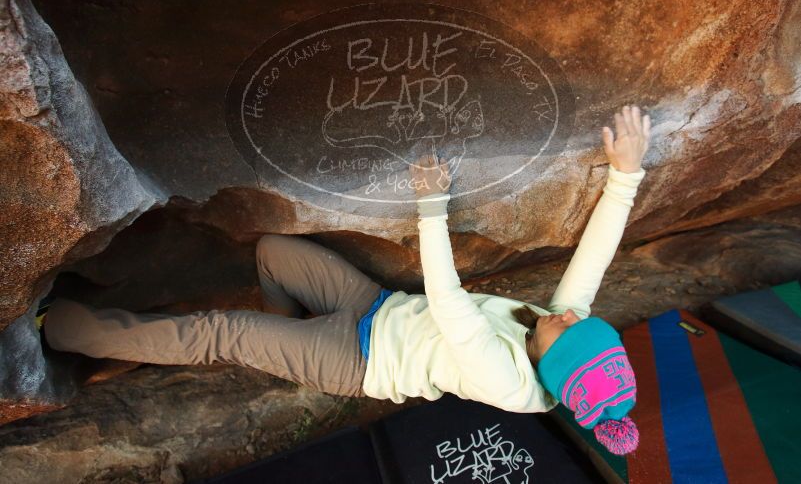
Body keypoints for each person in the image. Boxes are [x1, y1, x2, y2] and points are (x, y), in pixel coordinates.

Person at [42, 104, 650, 456]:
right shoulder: (558, 338)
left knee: (217, 332)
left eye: (569, 326)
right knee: (275, 253)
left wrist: (432, 204)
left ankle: (62, 328)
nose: (568, 313)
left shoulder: (510, 383)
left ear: (552, 366)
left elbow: (448, 300)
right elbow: (590, 266)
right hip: (377, 308)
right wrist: (626, 175)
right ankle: (281, 343)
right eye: (579, 316)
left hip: (357, 360)